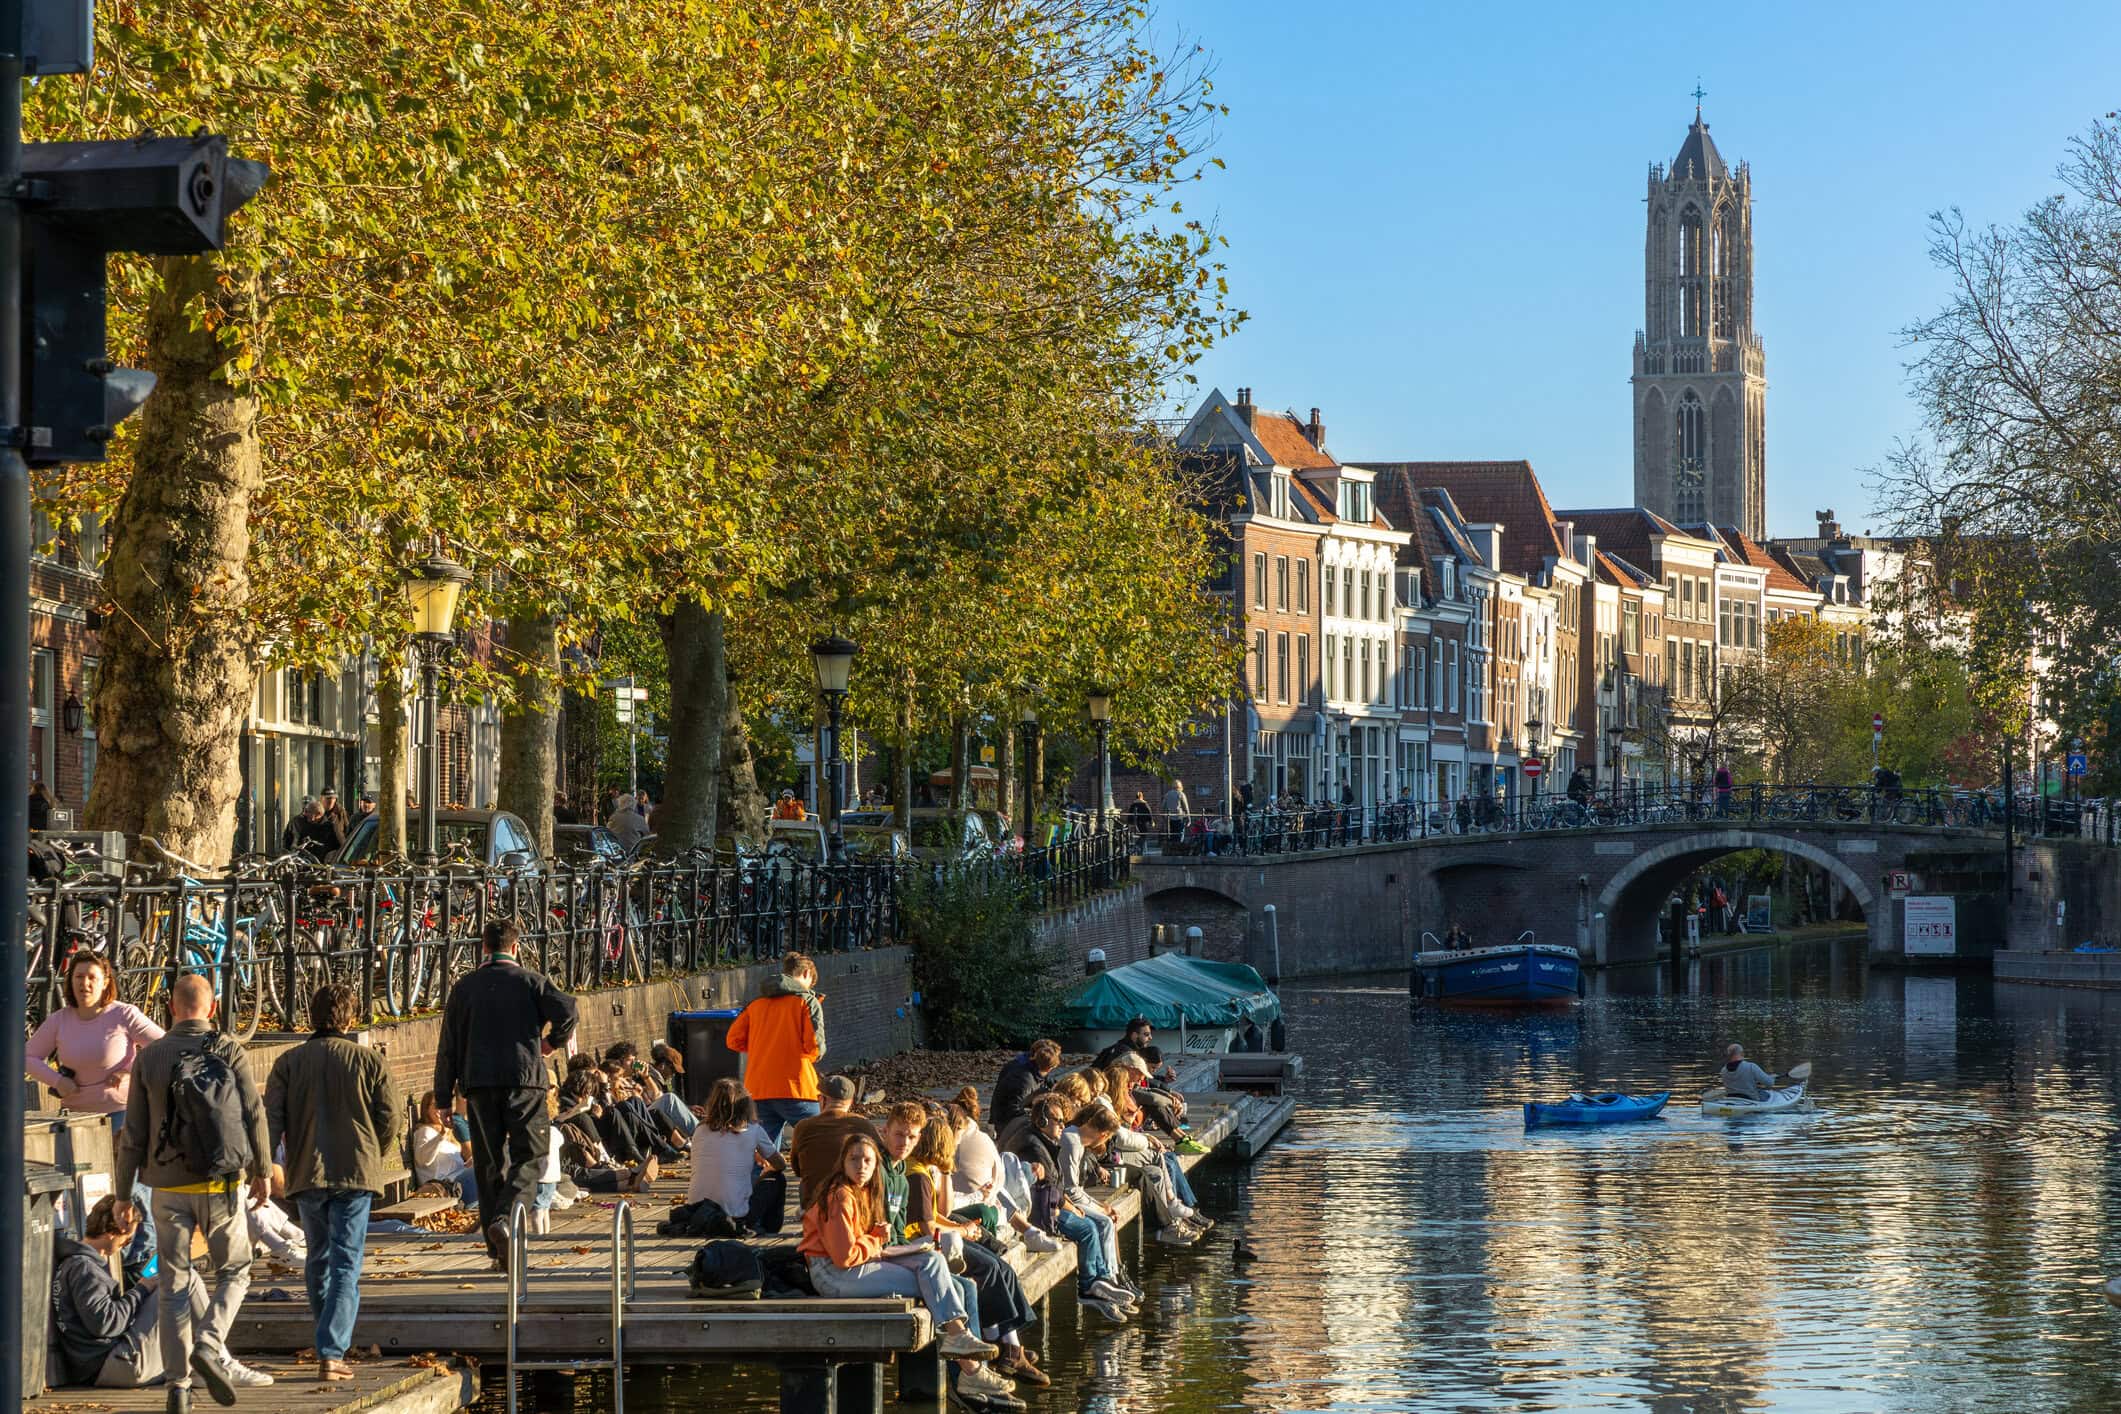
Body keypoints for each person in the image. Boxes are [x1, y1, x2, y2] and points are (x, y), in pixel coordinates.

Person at [112, 972, 276, 1408]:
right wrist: (262, 1168)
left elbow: (133, 1133)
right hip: (221, 1183)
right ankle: (210, 1340)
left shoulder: (150, 1057)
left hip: (165, 1187)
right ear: (213, 1008)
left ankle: (178, 1388)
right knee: (235, 1270)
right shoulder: (228, 1049)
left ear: (170, 1007)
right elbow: (254, 1114)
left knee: (173, 1286)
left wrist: (123, 1194)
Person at [264, 983, 399, 1384]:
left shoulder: (288, 1062)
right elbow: (390, 1117)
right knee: (346, 1262)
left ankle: (327, 1340)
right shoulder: (369, 1061)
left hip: (307, 1172)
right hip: (355, 1172)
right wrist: (372, 1150)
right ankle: (332, 1350)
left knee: (318, 1258)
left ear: (310, 1015)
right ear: (351, 1018)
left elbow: (270, 1119)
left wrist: (266, 1164)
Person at [434, 918, 578, 1270]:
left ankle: (499, 1253)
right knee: (530, 1154)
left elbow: (448, 1047)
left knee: (488, 1164)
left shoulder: (464, 988)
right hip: (524, 1078)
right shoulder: (531, 982)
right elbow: (568, 1011)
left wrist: (442, 1097)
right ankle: (506, 1219)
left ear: (483, 947)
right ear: (516, 947)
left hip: (479, 1084)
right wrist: (549, 1043)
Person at [799, 1132, 1002, 1367]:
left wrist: (877, 1241)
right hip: (831, 1274)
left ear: (876, 1165)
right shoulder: (840, 1196)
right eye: (853, 1160)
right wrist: (875, 1238)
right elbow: (844, 1257)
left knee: (934, 1261)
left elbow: (861, 1246)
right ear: (843, 1163)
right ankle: (969, 1365)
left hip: (859, 1262)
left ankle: (963, 1348)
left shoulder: (865, 1191)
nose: (860, 1166)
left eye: (867, 1161)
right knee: (936, 1284)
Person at [26, 952, 165, 1269]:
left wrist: (131, 1070)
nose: (84, 983)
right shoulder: (61, 1019)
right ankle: (98, 1261)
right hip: (78, 1121)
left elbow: (163, 1045)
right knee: (88, 1192)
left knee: (133, 1190)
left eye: (92, 977)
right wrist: (57, 1080)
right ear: (69, 982)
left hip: (122, 1115)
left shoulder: (122, 1015)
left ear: (105, 984)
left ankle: (143, 1262)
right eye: (78, 977)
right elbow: (28, 1056)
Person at [904, 1107, 1044, 1389]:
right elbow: (929, 1224)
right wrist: (961, 1229)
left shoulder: (926, 1171)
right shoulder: (918, 1175)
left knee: (998, 1264)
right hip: (926, 1244)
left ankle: (1009, 1346)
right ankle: (997, 1347)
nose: (955, 1149)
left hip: (938, 1235)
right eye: (951, 1144)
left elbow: (937, 1213)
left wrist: (963, 1227)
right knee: (988, 1268)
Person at [50, 1195, 210, 1390]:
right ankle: (216, 1358)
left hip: (105, 1364)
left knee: (173, 1276)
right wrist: (142, 1288)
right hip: (115, 1365)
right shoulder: (85, 1269)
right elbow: (105, 1324)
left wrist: (143, 1288)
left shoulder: (74, 1262)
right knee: (186, 1278)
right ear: (111, 1232)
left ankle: (205, 1362)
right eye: (126, 1240)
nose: (125, 1245)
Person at [726, 951, 826, 1141]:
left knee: (762, 1151)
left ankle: (763, 1172)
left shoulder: (756, 1004)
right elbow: (814, 1047)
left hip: (758, 1088)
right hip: (796, 1087)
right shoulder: (807, 1001)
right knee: (818, 1140)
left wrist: (762, 1046)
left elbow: (733, 1039)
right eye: (811, 983)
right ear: (806, 974)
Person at [685, 1078, 788, 1233]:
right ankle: (767, 1227)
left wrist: (752, 1152)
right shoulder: (753, 1129)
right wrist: (764, 1171)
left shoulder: (700, 1129)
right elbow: (780, 1164)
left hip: (698, 1212)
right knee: (777, 1178)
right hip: (735, 1217)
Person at [789, 1075, 882, 1212]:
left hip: (814, 1204)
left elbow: (797, 1169)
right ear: (850, 1102)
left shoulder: (803, 1127)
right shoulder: (864, 1124)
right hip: (852, 1202)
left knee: (804, 1184)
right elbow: (882, 1158)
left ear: (823, 1100)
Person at [411, 1092, 477, 1206]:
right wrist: (440, 1136)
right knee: (489, 1170)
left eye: (442, 1106)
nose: (440, 1110)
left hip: (458, 1181)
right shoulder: (424, 1131)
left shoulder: (447, 1134)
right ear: (426, 1109)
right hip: (446, 1187)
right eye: (436, 1105)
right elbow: (423, 1159)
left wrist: (469, 1162)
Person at [990, 1039, 1061, 1131]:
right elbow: (1013, 1109)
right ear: (1049, 1068)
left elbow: (1047, 1080)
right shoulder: (1024, 1079)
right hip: (1006, 1122)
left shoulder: (1029, 1063)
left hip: (1005, 1113)